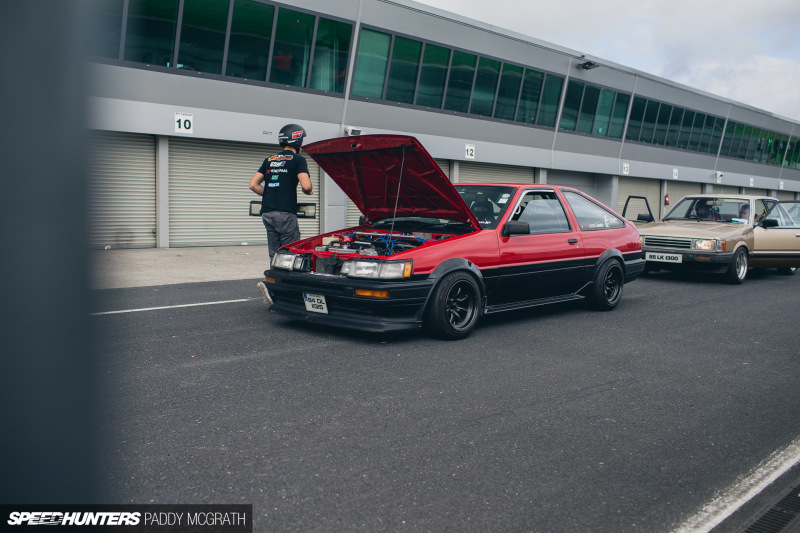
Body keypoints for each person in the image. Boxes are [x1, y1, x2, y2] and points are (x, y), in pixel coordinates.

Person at [249, 123, 313, 305]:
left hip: (267, 214)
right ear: (297, 140)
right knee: (291, 253)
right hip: (285, 214)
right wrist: (309, 191)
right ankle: (287, 293)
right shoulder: (298, 160)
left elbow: (252, 184)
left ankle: (273, 288)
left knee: (275, 254)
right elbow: (306, 186)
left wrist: (269, 194)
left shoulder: (269, 160)